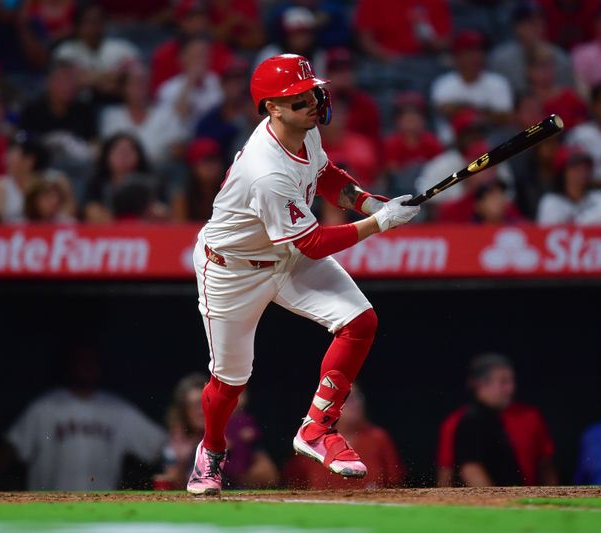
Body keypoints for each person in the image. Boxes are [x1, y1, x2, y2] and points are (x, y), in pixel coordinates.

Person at [185, 54, 420, 496]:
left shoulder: (304, 131)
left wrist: (370, 203)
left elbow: (326, 175)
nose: (312, 103)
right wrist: (380, 223)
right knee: (230, 380)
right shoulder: (265, 171)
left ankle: (317, 428)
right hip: (233, 271)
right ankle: (211, 450)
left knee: (360, 321)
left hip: (283, 255)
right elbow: (310, 243)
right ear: (272, 108)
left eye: (312, 92)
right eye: (297, 100)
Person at [7, 341, 167, 491]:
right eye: (81, 360)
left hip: (100, 510)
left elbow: (160, 446)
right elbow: (11, 451)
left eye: (91, 360)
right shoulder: (44, 407)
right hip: (49, 507)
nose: (87, 366)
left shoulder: (117, 409)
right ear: (69, 364)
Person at [436, 353, 557, 487]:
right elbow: (466, 470)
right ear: (480, 384)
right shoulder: (464, 421)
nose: (511, 389)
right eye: (503, 382)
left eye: (511, 381)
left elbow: (546, 466)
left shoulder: (530, 416)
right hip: (495, 504)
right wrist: (500, 505)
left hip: (521, 501)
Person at [156, 373, 278, 490]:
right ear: (183, 411)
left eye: (204, 402)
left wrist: (227, 468)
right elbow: (171, 484)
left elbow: (270, 476)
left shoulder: (236, 432)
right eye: (193, 405)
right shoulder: (175, 444)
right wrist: (182, 463)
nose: (200, 410)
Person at [283, 383, 405, 489]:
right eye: (348, 398)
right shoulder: (312, 442)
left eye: (358, 397)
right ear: (328, 406)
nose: (355, 403)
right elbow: (293, 482)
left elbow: (395, 481)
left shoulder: (378, 438)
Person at [100, 64, 186, 166]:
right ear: (123, 88)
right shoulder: (112, 116)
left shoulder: (166, 114)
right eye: (135, 83)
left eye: (143, 82)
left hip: (158, 172)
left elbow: (178, 149)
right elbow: (108, 150)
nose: (140, 88)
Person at [430, 30, 514, 133]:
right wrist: (485, 112)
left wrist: (463, 109)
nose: (477, 56)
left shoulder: (498, 82)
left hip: (492, 141)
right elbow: (444, 111)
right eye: (470, 52)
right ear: (457, 56)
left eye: (479, 51)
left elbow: (505, 117)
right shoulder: (443, 84)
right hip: (454, 143)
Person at [53, 3, 140, 100]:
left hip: (116, 104)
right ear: (77, 25)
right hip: (77, 106)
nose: (95, 26)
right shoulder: (65, 50)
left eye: (99, 21)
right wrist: (112, 77)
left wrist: (90, 78)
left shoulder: (124, 48)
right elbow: (72, 81)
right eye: (89, 21)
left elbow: (133, 79)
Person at [488, 1, 573, 95]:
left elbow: (567, 93)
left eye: (540, 21)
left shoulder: (560, 58)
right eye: (530, 23)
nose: (537, 27)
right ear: (516, 27)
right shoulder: (500, 59)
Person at [84, 133, 165, 223]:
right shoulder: (96, 183)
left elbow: (164, 211)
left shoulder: (153, 183)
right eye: (119, 151)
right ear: (107, 155)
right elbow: (89, 211)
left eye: (129, 151)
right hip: (110, 231)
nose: (124, 155)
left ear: (139, 155)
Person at [0, 134, 56, 223]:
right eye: (8, 152)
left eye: (12, 153)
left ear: (29, 160)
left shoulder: (47, 184)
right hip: (10, 235)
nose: (5, 157)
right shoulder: (0, 186)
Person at [537, 146, 601, 224]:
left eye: (586, 166)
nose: (582, 171)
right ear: (563, 172)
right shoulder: (551, 202)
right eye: (575, 166)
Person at [171, 137, 226, 222]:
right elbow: (179, 228)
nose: (211, 167)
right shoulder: (182, 195)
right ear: (193, 166)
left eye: (215, 160)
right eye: (205, 161)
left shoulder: (229, 191)